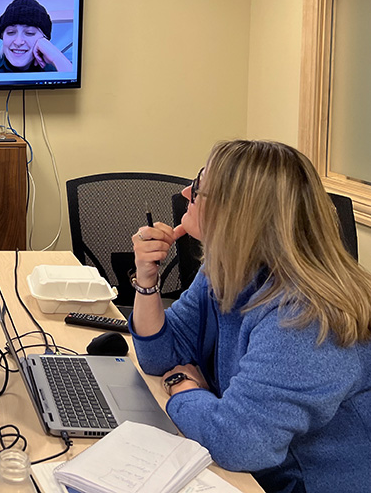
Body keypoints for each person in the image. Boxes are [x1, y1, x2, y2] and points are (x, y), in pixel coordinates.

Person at [129, 140, 371, 493]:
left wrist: (181, 388)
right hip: (252, 474)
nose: (185, 193)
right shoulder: (227, 269)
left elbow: (238, 443)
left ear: (237, 213)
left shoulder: (305, 317)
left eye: (197, 188)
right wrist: (146, 279)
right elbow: (160, 355)